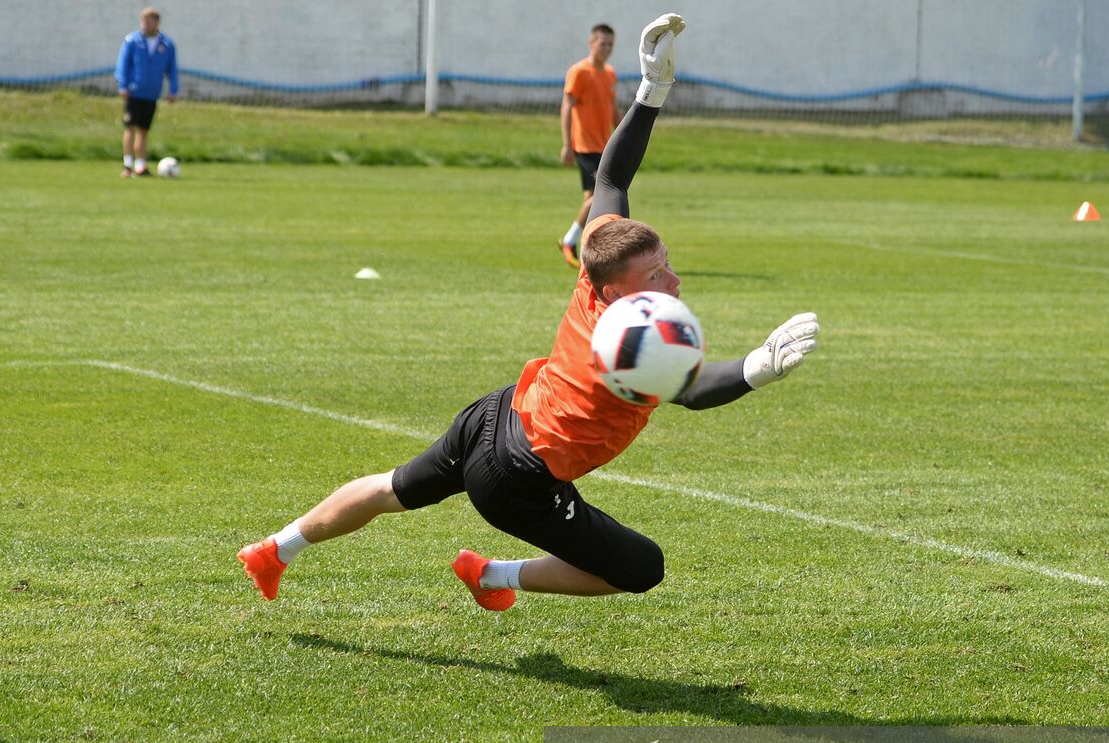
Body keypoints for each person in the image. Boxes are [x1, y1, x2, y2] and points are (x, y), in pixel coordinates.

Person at [238, 13, 820, 610]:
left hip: (497, 413)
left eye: (666, 262)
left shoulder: (601, 269)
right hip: (518, 476)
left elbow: (613, 175)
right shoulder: (630, 344)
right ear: (619, 295)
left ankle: (274, 550)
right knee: (642, 568)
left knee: (394, 488)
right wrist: (758, 366)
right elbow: (693, 390)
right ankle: (492, 575)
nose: (674, 278)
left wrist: (651, 92)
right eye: (656, 275)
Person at [558, 23, 620, 268]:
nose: (606, 49)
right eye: (602, 43)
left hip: (604, 146)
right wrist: (566, 143)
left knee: (592, 198)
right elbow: (567, 106)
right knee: (597, 197)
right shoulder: (579, 72)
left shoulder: (610, 73)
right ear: (591, 43)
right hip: (584, 145)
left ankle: (588, 252)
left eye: (610, 45)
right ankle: (569, 240)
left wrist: (627, 133)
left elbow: (613, 110)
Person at [115, 7, 178, 178]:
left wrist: (173, 90)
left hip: (151, 94)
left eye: (149, 21)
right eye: (143, 21)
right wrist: (123, 85)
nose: (145, 24)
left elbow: (171, 69)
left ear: (156, 22)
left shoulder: (166, 44)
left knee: (144, 130)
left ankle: (140, 166)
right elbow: (123, 64)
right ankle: (127, 165)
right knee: (130, 128)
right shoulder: (132, 41)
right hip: (134, 92)